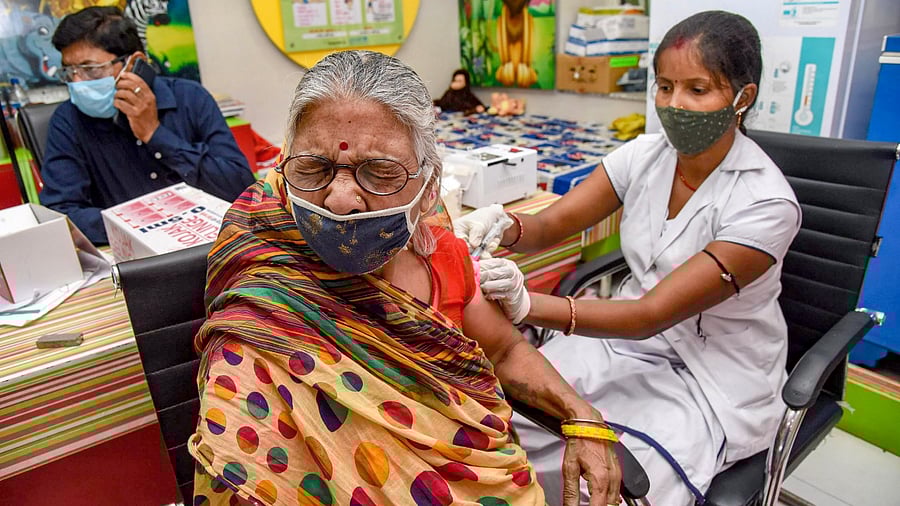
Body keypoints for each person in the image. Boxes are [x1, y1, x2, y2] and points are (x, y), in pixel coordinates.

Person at [187, 50, 622, 506]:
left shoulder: (443, 256)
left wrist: (581, 415)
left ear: (429, 187)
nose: (340, 200)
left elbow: (505, 348)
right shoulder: (264, 279)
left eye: (379, 173)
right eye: (313, 169)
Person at [455, 11, 802, 506]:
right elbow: (553, 225)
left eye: (697, 90)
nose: (674, 104)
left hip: (709, 375)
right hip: (619, 343)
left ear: (742, 98)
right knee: (505, 424)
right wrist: (504, 224)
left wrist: (525, 305)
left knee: (615, 483)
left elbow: (650, 315)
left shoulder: (765, 204)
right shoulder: (645, 156)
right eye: (664, 87)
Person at [41, 6, 255, 244]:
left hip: (209, 245)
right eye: (69, 71)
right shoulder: (67, 119)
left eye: (90, 70)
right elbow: (61, 213)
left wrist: (155, 134)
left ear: (134, 64)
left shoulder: (190, 98)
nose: (76, 82)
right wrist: (148, 226)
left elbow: (239, 186)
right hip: (128, 256)